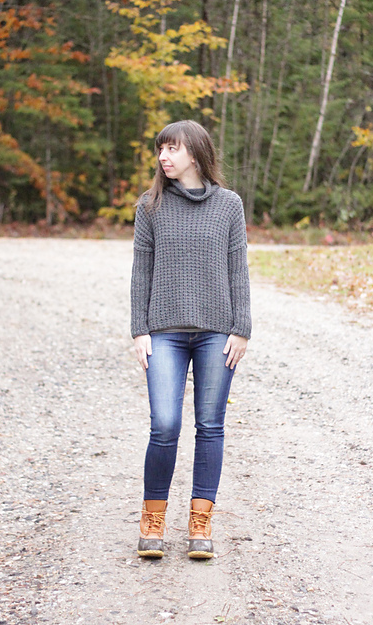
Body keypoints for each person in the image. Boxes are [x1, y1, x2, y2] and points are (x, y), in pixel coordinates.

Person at [130, 119, 251, 559]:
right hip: (164, 332)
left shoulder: (229, 205)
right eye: (161, 148)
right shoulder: (150, 206)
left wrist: (242, 328)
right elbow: (141, 271)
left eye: (172, 148)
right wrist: (139, 329)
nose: (164, 156)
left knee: (210, 425)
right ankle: (153, 520)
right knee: (165, 424)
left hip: (217, 331)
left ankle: (201, 523)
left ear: (196, 154)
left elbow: (238, 269)